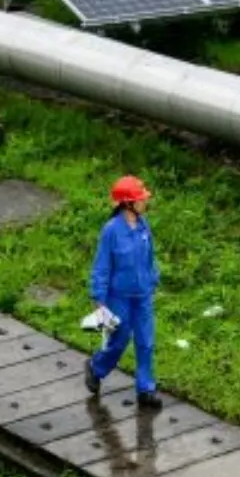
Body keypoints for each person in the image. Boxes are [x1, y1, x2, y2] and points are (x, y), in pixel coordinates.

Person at [85, 174, 161, 408]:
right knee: (118, 341)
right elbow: (102, 265)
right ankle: (96, 367)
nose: (144, 202)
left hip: (142, 296)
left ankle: (145, 389)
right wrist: (99, 298)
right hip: (119, 298)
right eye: (140, 198)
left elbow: (149, 257)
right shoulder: (111, 231)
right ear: (128, 203)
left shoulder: (143, 225)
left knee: (146, 342)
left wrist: (153, 279)